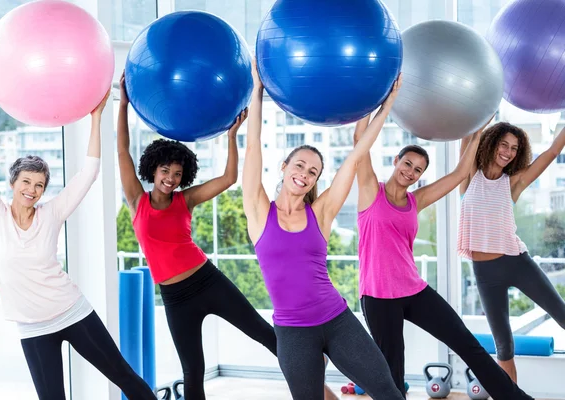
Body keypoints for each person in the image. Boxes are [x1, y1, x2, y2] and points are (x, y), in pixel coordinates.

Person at [116, 73, 337, 400]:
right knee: (193, 370)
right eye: (166, 172)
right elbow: (122, 150)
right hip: (174, 297)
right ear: (153, 169)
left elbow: (230, 177)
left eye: (178, 174)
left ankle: (320, 388)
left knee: (265, 335)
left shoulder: (185, 199)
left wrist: (232, 135)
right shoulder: (137, 200)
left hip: (207, 281)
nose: (171, 179)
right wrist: (122, 105)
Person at [0, 67, 156, 400]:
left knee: (124, 377)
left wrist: (96, 118)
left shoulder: (51, 214)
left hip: (73, 312)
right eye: (26, 182)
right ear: (12, 184)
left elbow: (89, 172)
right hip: (33, 328)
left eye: (39, 185)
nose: (32, 190)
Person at [242, 59, 405, 400]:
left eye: (313, 171)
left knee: (388, 391)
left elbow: (356, 155)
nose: (304, 173)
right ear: (284, 167)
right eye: (299, 165)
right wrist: (256, 91)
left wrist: (387, 104)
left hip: (336, 320)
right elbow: (254, 146)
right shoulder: (259, 212)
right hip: (292, 333)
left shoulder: (322, 212)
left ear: (316, 180)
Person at [355, 113, 534, 400]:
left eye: (418, 170)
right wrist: (379, 105)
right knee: (392, 372)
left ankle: (515, 397)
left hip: (414, 290)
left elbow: (460, 174)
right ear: (396, 162)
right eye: (407, 164)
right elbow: (359, 144)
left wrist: (477, 133)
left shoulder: (417, 200)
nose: (411, 172)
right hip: (378, 297)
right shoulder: (368, 191)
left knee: (465, 342)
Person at [459, 121, 565, 382]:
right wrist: (482, 114)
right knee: (503, 346)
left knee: (562, 315)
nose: (508, 152)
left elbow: (551, 152)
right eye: (503, 144)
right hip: (485, 273)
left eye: (514, 148)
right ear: (491, 143)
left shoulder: (514, 182)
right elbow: (469, 135)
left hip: (517, 263)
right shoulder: (470, 173)